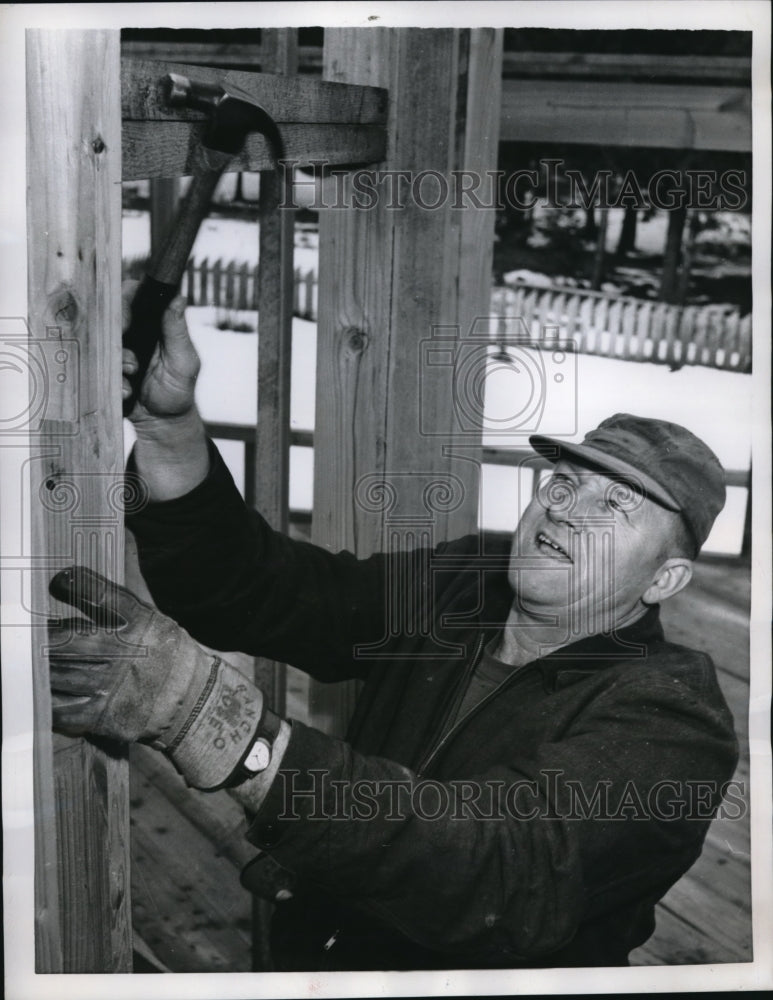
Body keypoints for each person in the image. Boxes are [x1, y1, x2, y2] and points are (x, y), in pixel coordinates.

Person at [48, 292, 738, 970]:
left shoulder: (671, 718)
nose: (563, 512)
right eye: (562, 485)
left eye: (614, 506)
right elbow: (265, 592)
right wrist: (170, 431)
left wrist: (220, 727)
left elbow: (497, 872)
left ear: (663, 580)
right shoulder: (468, 582)